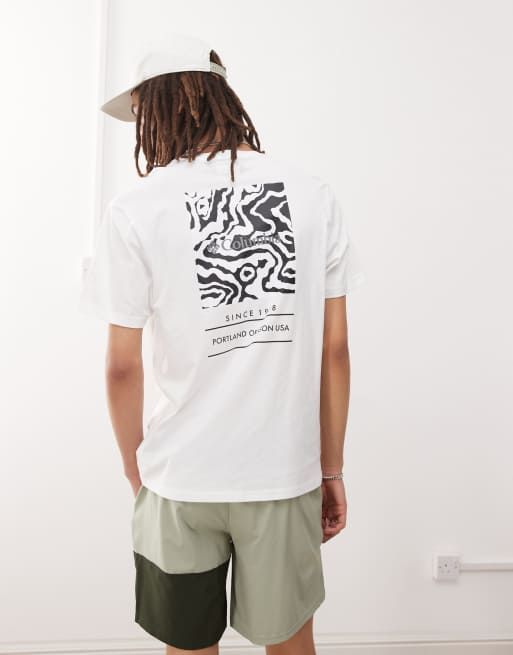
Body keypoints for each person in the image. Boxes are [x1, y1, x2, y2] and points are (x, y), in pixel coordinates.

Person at [79, 34, 366, 655]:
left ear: (162, 108)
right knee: (291, 645)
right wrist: (331, 468)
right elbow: (335, 350)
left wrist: (135, 466)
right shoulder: (312, 196)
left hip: (180, 476)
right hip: (281, 474)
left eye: (142, 115)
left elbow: (122, 367)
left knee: (188, 648)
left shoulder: (136, 211)